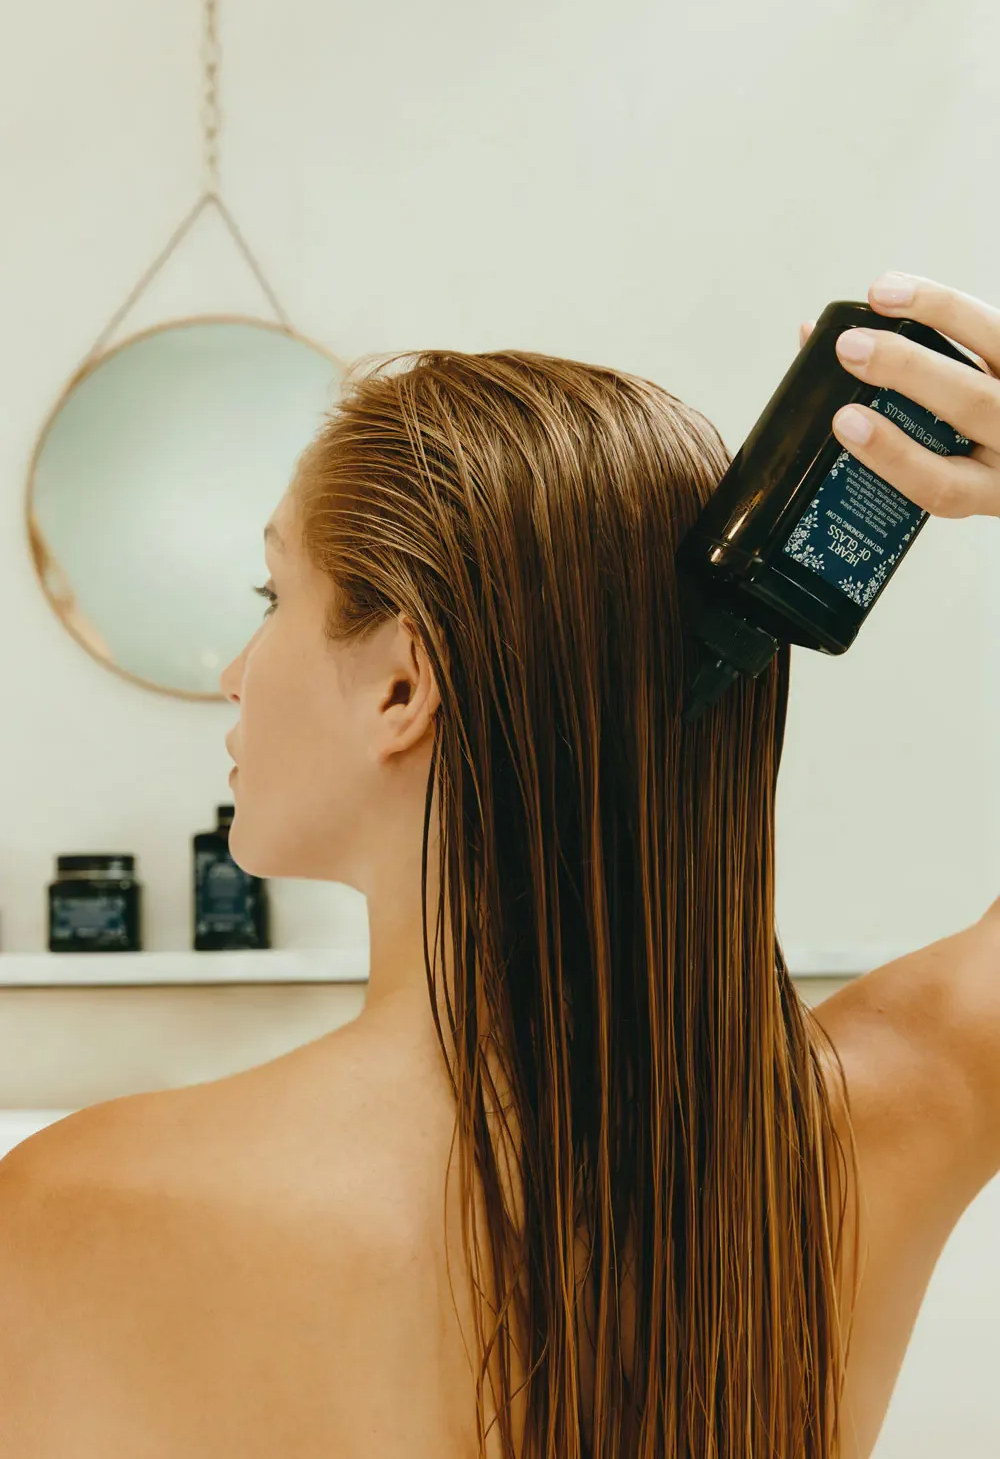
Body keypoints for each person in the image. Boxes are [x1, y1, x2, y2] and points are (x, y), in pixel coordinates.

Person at [0, 271, 997, 1459]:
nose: (235, 669)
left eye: (274, 594)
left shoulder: (74, 1213)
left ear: (403, 684)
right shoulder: (905, 1100)